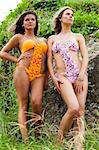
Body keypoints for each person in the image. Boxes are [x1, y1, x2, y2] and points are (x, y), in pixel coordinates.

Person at [0, 10, 48, 143]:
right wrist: (17, 60)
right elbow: (3, 53)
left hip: (39, 74)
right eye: (27, 20)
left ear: (36, 22)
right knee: (23, 104)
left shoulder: (43, 40)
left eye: (33, 19)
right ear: (22, 23)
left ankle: (38, 135)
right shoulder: (18, 38)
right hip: (22, 70)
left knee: (36, 102)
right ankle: (26, 140)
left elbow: (48, 60)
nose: (30, 21)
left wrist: (47, 78)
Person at [47, 6, 88, 149]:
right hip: (62, 76)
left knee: (81, 111)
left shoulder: (78, 36)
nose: (71, 16)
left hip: (79, 75)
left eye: (72, 15)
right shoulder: (52, 39)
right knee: (73, 108)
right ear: (60, 18)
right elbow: (48, 62)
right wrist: (54, 78)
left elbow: (85, 57)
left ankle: (78, 145)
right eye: (68, 14)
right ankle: (58, 143)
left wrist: (81, 76)